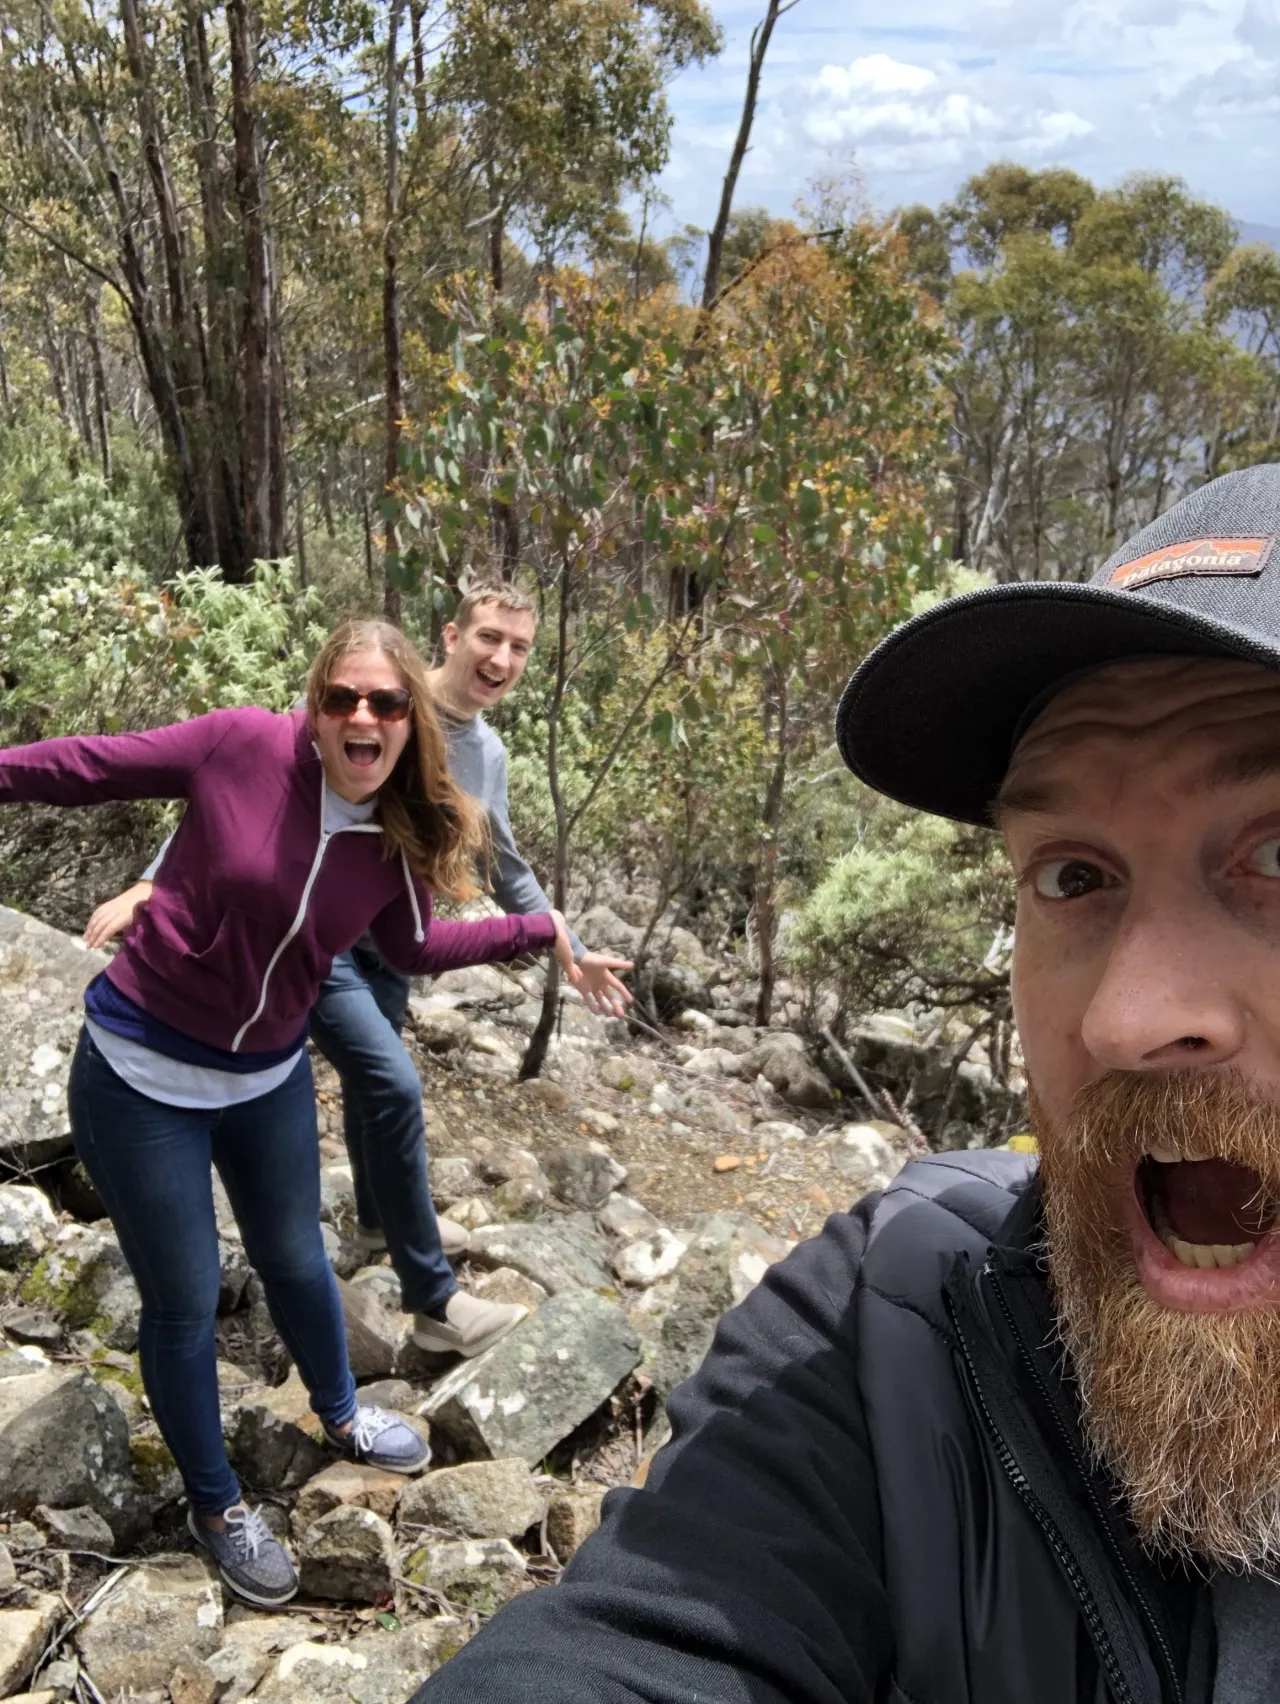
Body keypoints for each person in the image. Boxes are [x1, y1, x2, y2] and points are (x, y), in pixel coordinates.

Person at [407, 464, 1280, 1704]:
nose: (1123, 1018)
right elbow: (644, 1640)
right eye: (1070, 876)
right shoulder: (897, 1321)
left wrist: (536, 931)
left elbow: (504, 866)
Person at [0, 617, 578, 1611]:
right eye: (341, 698)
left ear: (409, 719)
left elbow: (411, 948)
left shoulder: (401, 826)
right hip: (140, 1074)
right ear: (314, 708)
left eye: (384, 703)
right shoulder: (239, 745)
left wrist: (537, 930)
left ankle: (342, 1413)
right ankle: (217, 1505)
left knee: (298, 1257)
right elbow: (89, 765)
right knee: (184, 1299)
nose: (363, 716)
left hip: (266, 1077)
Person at [87, 583, 633, 1359]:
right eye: (489, 637)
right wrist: (152, 883)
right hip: (319, 944)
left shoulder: (487, 755)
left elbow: (506, 864)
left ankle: (379, 1221)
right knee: (392, 1083)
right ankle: (434, 1300)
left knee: (373, 1092)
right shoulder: (369, 698)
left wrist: (564, 943)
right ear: (452, 637)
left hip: (393, 945)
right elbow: (239, 798)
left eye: (518, 647)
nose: (501, 658)